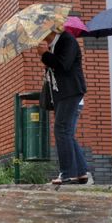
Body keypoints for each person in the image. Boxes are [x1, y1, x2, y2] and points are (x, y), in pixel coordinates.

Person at [37, 29, 89, 184]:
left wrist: (45, 55)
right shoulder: (54, 44)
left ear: (48, 30)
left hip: (71, 92)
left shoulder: (67, 40)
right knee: (66, 132)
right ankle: (81, 172)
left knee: (61, 129)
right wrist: (46, 56)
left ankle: (68, 173)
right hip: (61, 95)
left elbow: (63, 65)